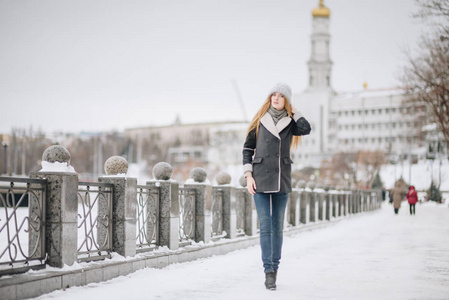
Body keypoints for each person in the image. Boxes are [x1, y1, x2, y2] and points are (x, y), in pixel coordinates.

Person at [242, 82, 311, 290]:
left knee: (277, 227)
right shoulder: (259, 120)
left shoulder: (291, 122)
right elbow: (247, 149)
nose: (276, 98)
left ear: (286, 101)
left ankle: (275, 268)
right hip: (260, 179)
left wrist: (295, 111)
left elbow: (306, 128)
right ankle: (268, 271)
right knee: (265, 227)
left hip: (281, 179)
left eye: (281, 96)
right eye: (274, 95)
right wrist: (248, 176)